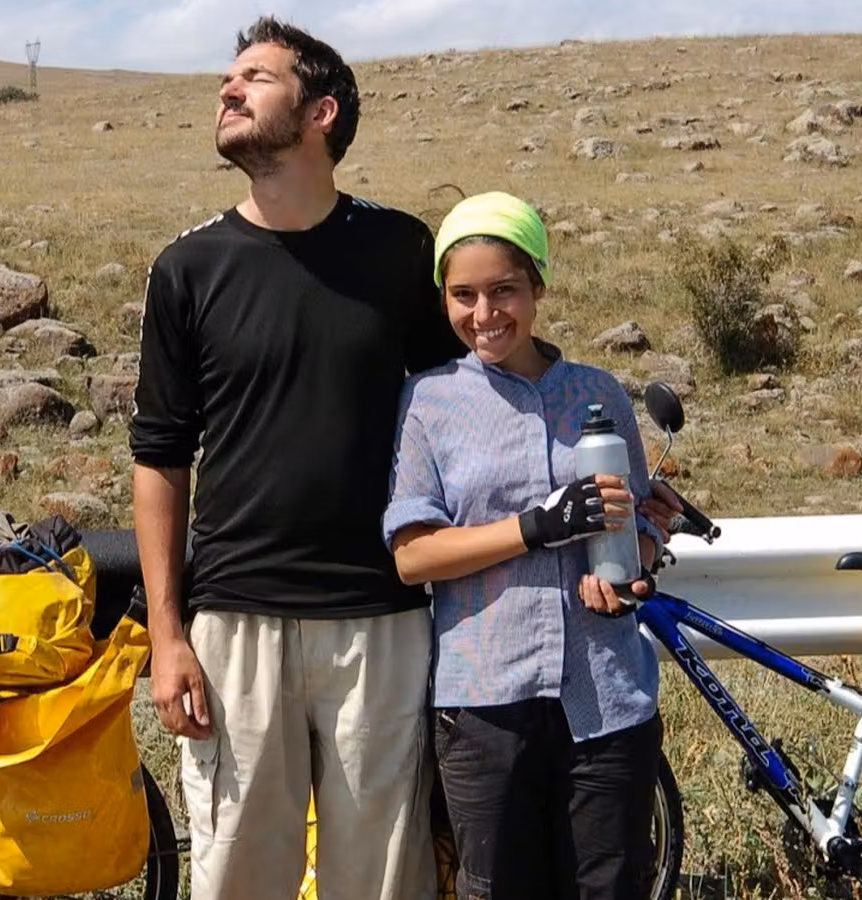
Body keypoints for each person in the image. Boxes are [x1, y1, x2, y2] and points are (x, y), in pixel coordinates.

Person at [128, 16, 466, 900]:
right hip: (235, 620)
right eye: (229, 77)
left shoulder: (402, 251)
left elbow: (467, 408)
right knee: (238, 876)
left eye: (256, 77)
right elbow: (160, 457)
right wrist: (168, 636)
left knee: (383, 882)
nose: (228, 89)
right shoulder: (187, 267)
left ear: (321, 113)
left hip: (382, 616)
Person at [385, 191, 666, 900]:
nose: (485, 314)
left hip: (606, 695)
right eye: (464, 295)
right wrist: (535, 527)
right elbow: (413, 556)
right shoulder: (428, 402)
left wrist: (634, 570)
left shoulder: (600, 393)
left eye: (504, 290)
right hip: (484, 705)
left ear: (538, 286)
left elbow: (636, 526)